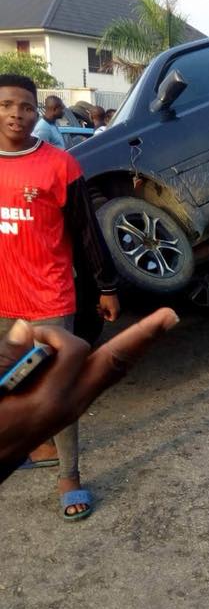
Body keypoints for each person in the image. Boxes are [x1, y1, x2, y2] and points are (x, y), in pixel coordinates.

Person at [0, 73, 120, 520]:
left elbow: (87, 231)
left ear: (38, 112)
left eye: (26, 107)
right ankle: (40, 444)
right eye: (7, 105)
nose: (17, 114)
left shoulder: (59, 165)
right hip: (2, 302)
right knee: (12, 384)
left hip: (48, 299)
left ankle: (69, 475)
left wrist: (107, 286)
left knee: (57, 387)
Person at [0, 310, 178, 485]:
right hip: (7, 296)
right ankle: (41, 449)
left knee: (59, 390)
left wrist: (107, 289)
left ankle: (69, 475)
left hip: (45, 296)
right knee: (28, 386)